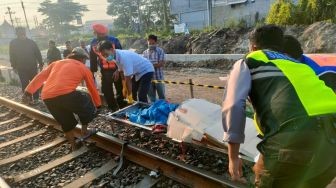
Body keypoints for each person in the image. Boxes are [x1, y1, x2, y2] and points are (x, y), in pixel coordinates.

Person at [222, 25, 336, 187]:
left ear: (253, 47)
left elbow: (233, 105)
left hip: (295, 139)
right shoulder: (300, 65)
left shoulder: (249, 61)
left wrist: (233, 157)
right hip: (331, 148)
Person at [23, 47, 101, 150]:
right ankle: (85, 130)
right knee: (86, 101)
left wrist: (28, 92)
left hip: (47, 97)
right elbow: (92, 88)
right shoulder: (83, 68)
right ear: (82, 59)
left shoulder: (56, 63)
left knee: (66, 122)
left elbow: (40, 76)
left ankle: (74, 146)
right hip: (66, 94)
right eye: (85, 59)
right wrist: (98, 105)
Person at [90, 23, 125, 111]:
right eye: (99, 34)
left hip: (116, 68)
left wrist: (119, 69)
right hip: (104, 71)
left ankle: (121, 105)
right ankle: (113, 107)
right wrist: (93, 70)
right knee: (106, 90)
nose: (100, 35)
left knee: (119, 88)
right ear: (96, 33)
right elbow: (93, 57)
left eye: (102, 34)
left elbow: (120, 54)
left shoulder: (114, 40)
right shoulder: (93, 42)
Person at [9, 27, 43, 101]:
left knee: (34, 82)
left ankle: (36, 97)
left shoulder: (31, 42)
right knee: (25, 83)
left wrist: (41, 64)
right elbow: (12, 56)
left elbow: (38, 53)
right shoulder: (13, 43)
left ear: (25, 34)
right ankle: (28, 97)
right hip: (21, 68)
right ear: (17, 35)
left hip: (32, 66)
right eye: (20, 34)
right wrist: (14, 66)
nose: (22, 36)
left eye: (23, 34)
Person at [143, 34, 166, 102]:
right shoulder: (144, 53)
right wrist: (154, 64)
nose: (151, 45)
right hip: (149, 79)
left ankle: (162, 109)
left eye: (153, 43)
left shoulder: (160, 51)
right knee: (151, 98)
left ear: (156, 43)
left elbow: (161, 64)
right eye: (149, 43)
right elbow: (143, 65)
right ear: (147, 42)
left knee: (162, 96)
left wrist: (149, 65)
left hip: (159, 77)